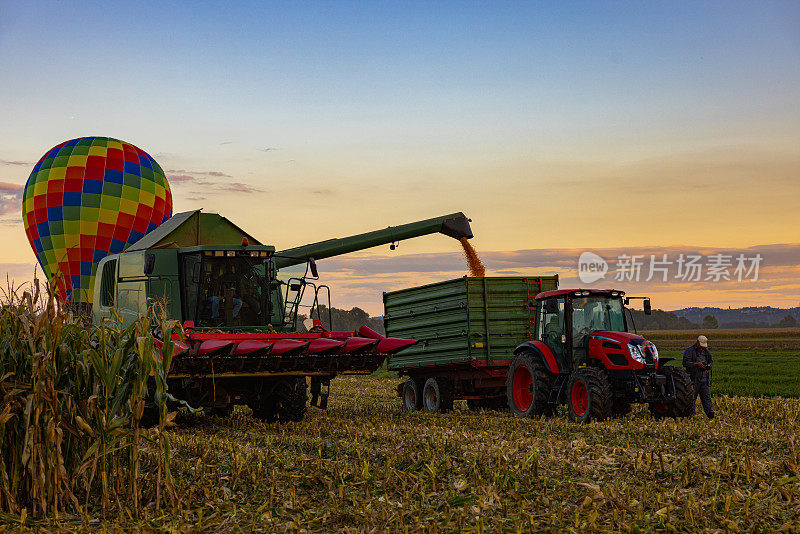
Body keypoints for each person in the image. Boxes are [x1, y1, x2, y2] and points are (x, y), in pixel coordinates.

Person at [683, 334, 715, 418]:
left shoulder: (706, 351)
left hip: (704, 378)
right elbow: (685, 363)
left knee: (706, 397)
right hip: (693, 378)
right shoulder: (689, 351)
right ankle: (691, 414)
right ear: (697, 342)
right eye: (701, 346)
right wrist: (696, 364)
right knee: (692, 397)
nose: (702, 348)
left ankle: (710, 413)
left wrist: (708, 366)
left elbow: (711, 362)